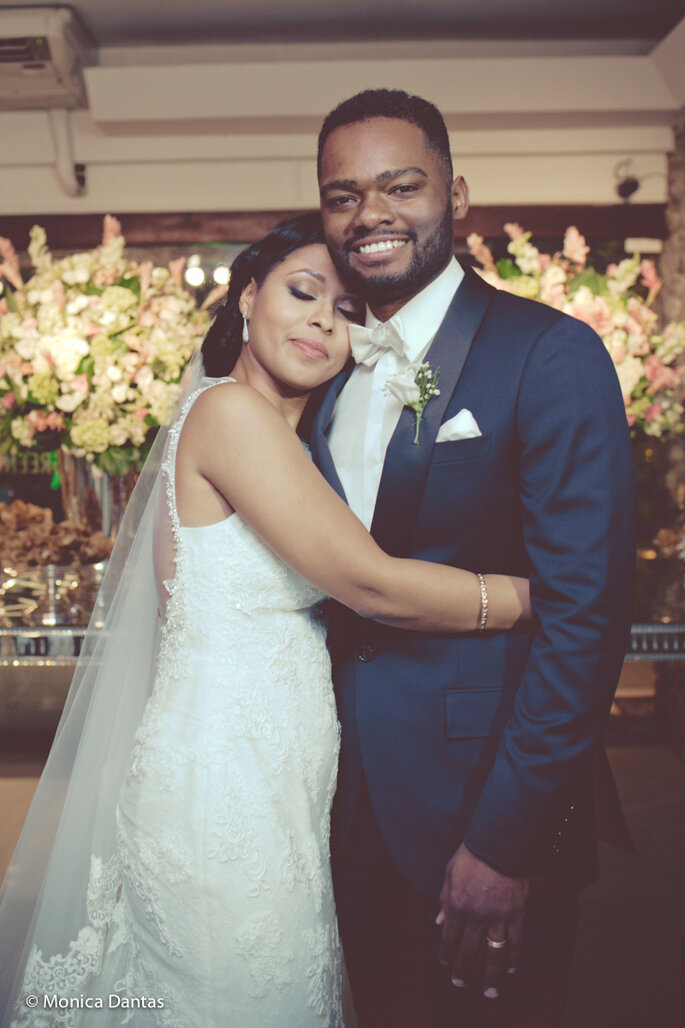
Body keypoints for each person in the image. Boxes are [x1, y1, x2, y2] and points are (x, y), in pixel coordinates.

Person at [0, 213, 533, 1028]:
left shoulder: (291, 440)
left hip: (273, 788)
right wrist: (531, 595)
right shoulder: (229, 416)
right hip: (223, 799)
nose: (324, 318)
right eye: (302, 290)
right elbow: (371, 585)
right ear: (248, 296)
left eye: (349, 310)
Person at [312, 89, 637, 1028]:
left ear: (456, 195)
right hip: (335, 798)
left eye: (399, 185)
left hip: (478, 804)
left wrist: (507, 843)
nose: (369, 214)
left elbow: (584, 617)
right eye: (342, 196)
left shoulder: (549, 353)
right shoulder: (318, 363)